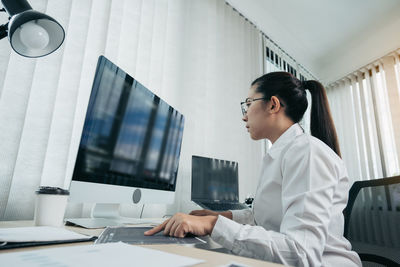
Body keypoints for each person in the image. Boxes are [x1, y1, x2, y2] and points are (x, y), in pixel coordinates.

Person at [145, 72, 362, 267]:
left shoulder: (307, 152)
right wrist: (222, 216)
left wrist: (213, 224)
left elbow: (301, 254)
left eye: (248, 104)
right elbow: (266, 219)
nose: (244, 115)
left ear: (273, 105)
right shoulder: (282, 154)